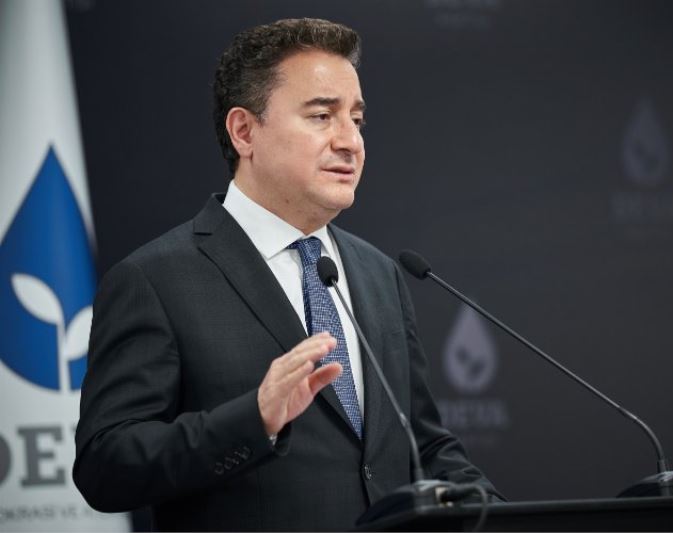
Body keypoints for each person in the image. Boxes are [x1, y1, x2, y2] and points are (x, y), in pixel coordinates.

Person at [73, 18, 500, 531]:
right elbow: (105, 466)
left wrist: (501, 516)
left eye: (357, 119)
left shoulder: (378, 273)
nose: (350, 141)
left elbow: (423, 444)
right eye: (322, 116)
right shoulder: (155, 280)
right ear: (244, 131)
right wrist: (253, 420)